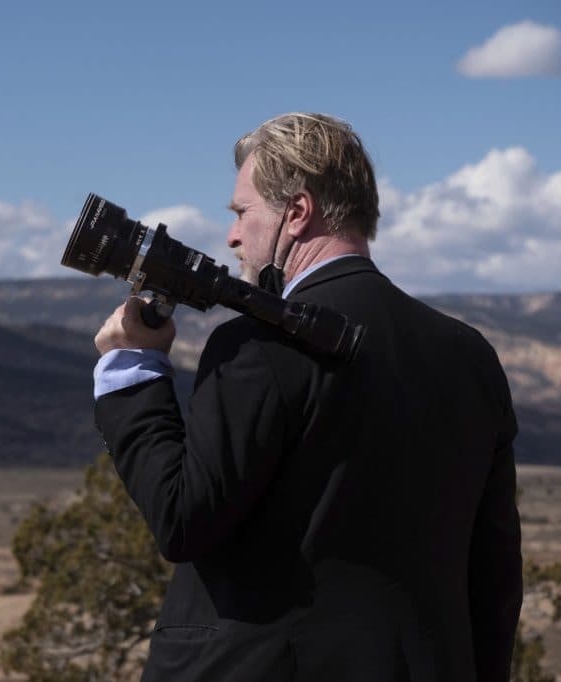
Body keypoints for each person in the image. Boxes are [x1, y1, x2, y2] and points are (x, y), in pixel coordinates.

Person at [92, 113, 522, 681]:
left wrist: (133, 370)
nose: (232, 236)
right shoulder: (469, 355)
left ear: (296, 213)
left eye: (242, 212)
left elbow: (182, 518)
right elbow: (494, 575)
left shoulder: (257, 344)